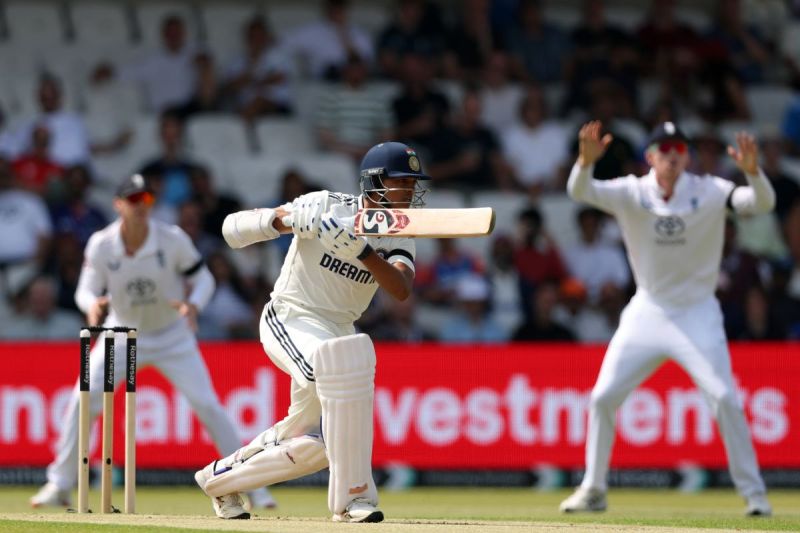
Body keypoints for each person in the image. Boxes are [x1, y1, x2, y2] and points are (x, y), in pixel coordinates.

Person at [194, 141, 429, 522]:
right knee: (344, 370)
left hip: (337, 329)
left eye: (413, 184)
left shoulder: (399, 233)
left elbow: (400, 289)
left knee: (315, 442)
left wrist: (362, 252)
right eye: (403, 182)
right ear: (375, 182)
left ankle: (219, 480)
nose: (410, 192)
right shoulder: (327, 205)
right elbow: (230, 230)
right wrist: (285, 221)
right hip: (291, 316)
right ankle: (354, 499)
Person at [559, 121, 775, 516]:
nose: (672, 155)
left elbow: (760, 204)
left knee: (725, 398)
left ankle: (755, 496)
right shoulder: (631, 190)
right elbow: (579, 191)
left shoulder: (709, 190)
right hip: (648, 310)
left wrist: (753, 172)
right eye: (664, 148)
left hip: (697, 312)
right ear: (650, 156)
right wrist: (585, 163)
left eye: (679, 148)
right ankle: (594, 489)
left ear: (687, 156)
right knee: (603, 398)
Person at [30, 173, 275, 511]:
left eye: (146, 199)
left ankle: (254, 487)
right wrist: (92, 305)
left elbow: (202, 278)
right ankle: (59, 484)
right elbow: (85, 289)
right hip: (121, 333)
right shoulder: (102, 244)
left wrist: (195, 305)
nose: (141, 206)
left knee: (208, 406)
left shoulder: (171, 239)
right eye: (133, 200)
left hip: (173, 335)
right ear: (118, 205)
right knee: (81, 402)